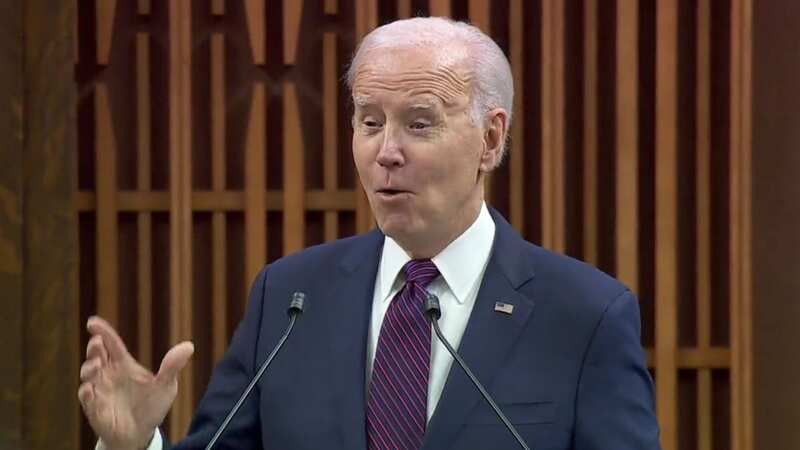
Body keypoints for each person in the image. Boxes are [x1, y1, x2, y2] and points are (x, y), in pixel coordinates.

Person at [78, 17, 660, 450]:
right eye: (369, 121)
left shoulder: (584, 315)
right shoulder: (291, 297)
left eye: (419, 123)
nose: (386, 153)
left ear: (490, 139)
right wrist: (135, 445)